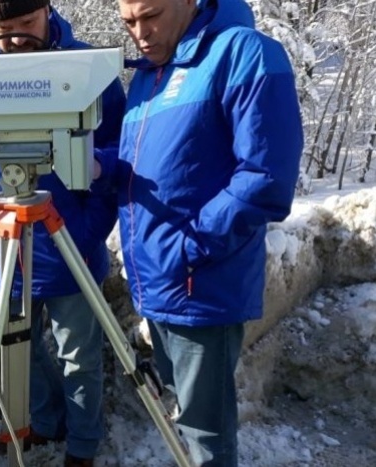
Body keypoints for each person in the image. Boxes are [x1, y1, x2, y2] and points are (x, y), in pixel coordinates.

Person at [111, 0, 304, 465]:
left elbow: (265, 176)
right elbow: (158, 169)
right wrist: (104, 170)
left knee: (206, 437)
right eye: (129, 22)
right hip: (157, 282)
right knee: (182, 417)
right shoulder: (146, 75)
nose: (140, 32)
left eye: (150, 15)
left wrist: (191, 246)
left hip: (201, 284)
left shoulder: (244, 53)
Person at [0, 1, 126, 466]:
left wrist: (88, 229)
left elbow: (116, 151)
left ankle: (83, 445)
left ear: (48, 10)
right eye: (5, 28)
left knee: (78, 356)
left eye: (27, 23)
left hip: (69, 247)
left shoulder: (88, 70)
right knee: (14, 350)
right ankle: (45, 422)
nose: (18, 37)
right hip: (1, 246)